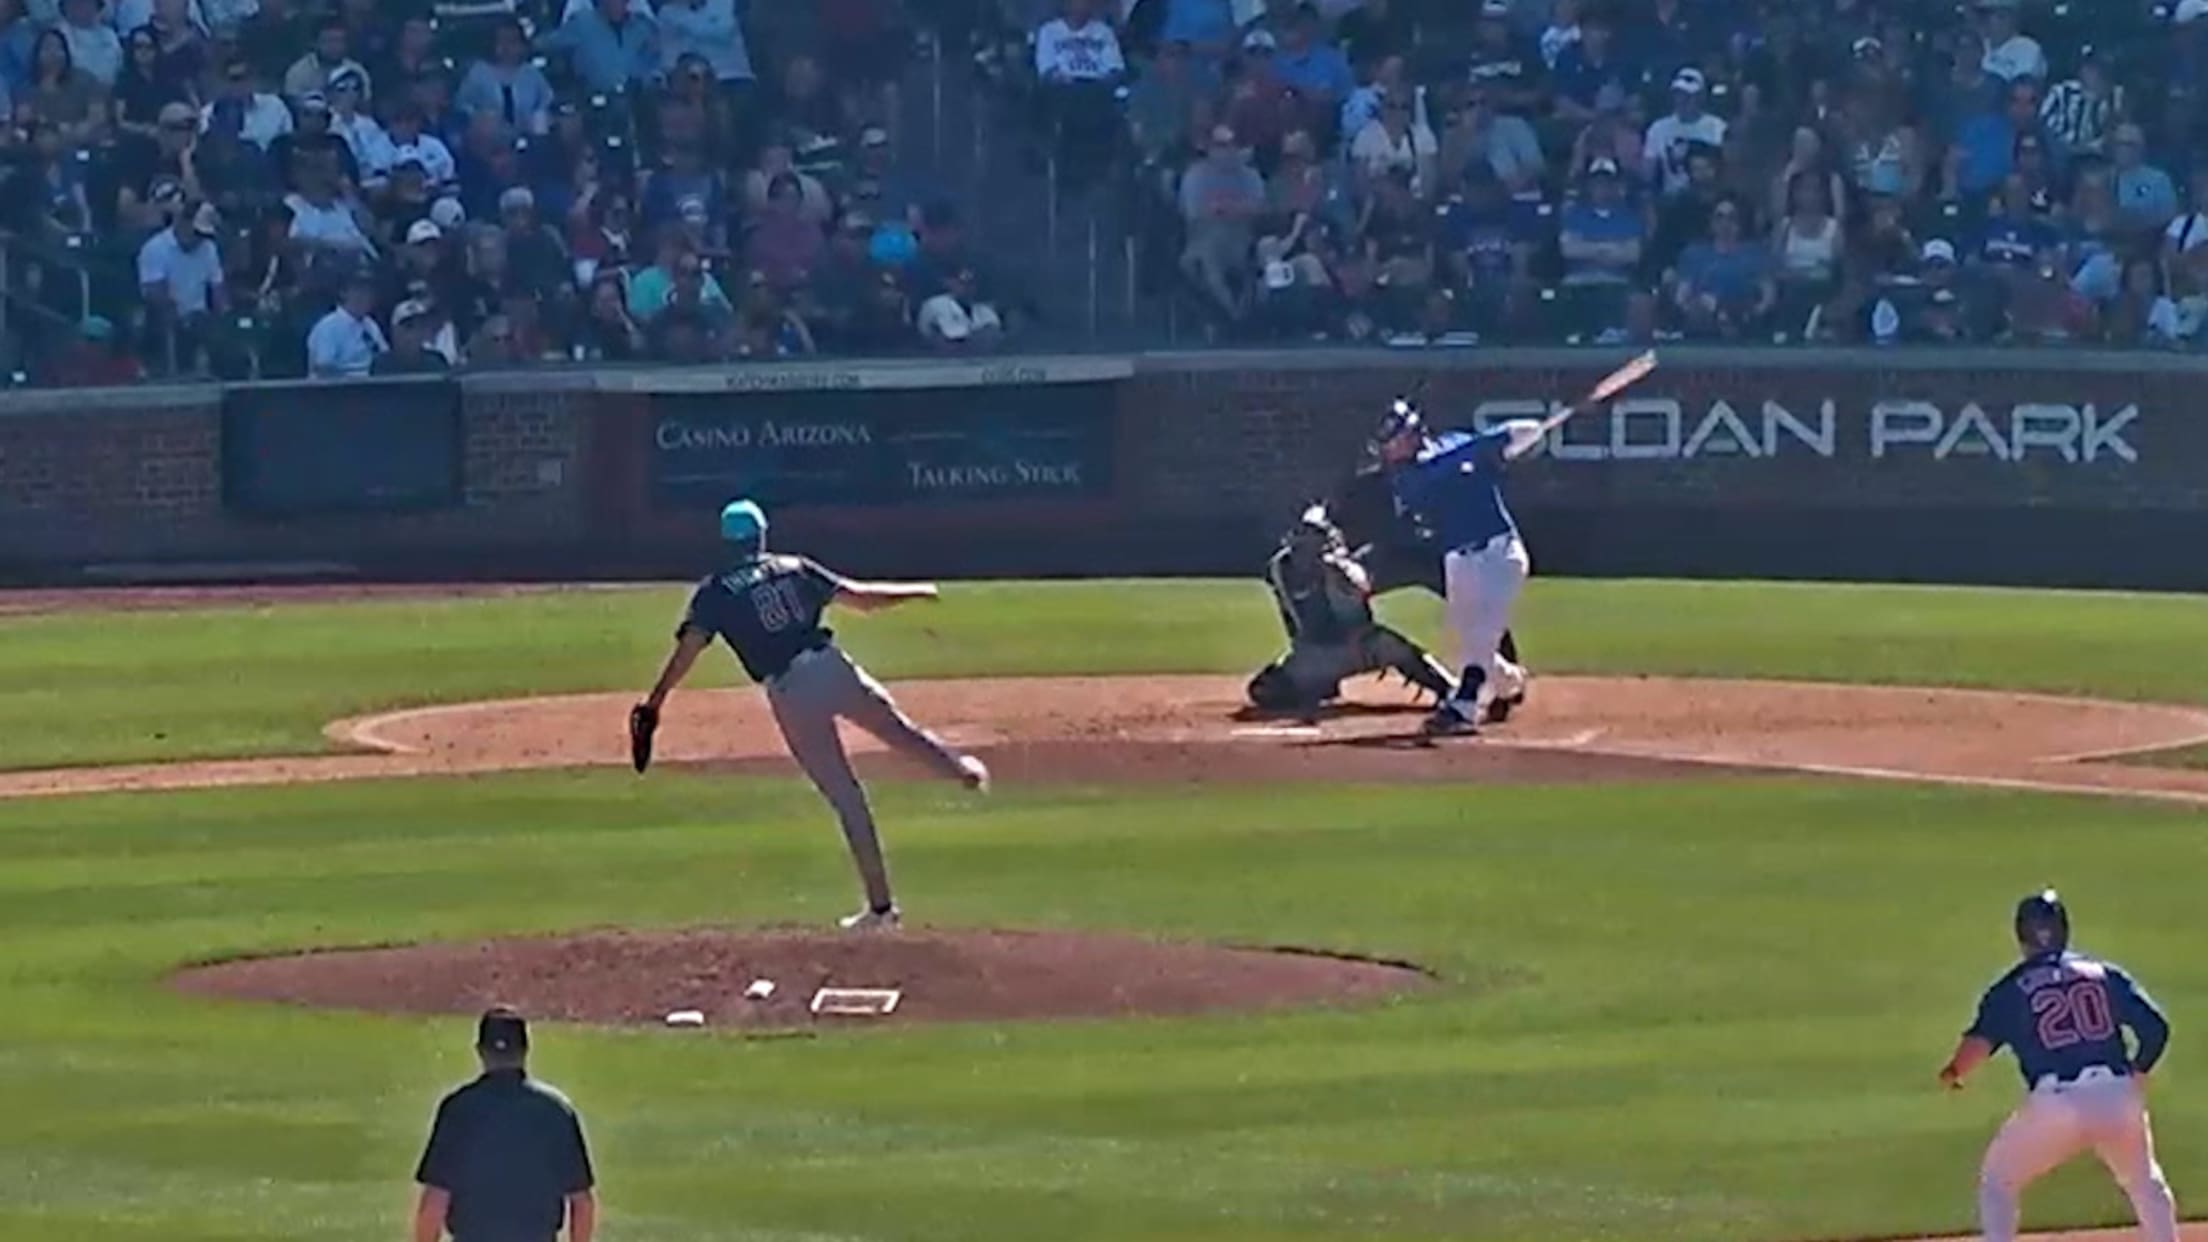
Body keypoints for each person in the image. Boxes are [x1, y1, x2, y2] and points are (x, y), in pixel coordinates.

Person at [632, 499, 991, 930]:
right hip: (833, 667)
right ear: (761, 536)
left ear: (724, 542)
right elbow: (861, 599)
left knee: (846, 797)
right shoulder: (794, 566)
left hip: (790, 692)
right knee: (901, 731)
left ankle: (881, 910)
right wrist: (915, 590)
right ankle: (960, 770)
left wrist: (655, 701)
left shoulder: (715, 592)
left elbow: (688, 650)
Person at [1938, 891, 2177, 1242]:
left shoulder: (2011, 988)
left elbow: (1977, 1047)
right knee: (2145, 1181)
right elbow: (2156, 1029)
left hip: (2056, 1103)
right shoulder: (2102, 973)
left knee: (1998, 1181)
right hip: (2117, 1095)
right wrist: (2136, 1074)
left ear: (2021, 935)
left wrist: (1953, 1072)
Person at [1372, 397, 1542, 735]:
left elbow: (1521, 432)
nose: (1388, 450)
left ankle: (1463, 706)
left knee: (1482, 635)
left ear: (1412, 434)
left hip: (1501, 553)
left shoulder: (1456, 442)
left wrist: (1505, 441)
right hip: (1459, 560)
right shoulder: (1407, 479)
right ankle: (1510, 683)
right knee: (1471, 639)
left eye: (1393, 440)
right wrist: (1482, 450)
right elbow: (1444, 467)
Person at [1245, 503, 1455, 717]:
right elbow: (1291, 616)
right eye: (1306, 535)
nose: (1309, 543)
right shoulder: (1280, 567)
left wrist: (1338, 571)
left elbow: (1360, 592)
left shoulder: (1343, 568)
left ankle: (1448, 689)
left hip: (1359, 647)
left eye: (1315, 536)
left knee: (1393, 647)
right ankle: (1320, 685)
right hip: (1315, 652)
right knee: (1264, 690)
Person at [413, 1007, 597, 1242]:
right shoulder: (556, 1111)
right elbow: (582, 1203)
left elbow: (434, 1201)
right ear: (525, 1050)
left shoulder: (459, 1109)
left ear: (480, 1051)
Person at [1643, 68, 1724, 195]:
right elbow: (1648, 174)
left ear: (1701, 96)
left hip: (1709, 197)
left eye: (1688, 96)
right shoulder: (1658, 129)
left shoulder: (1718, 127)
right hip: (1671, 198)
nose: (1682, 101)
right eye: (1679, 94)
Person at [306, 272, 388, 376]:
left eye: (368, 291)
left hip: (374, 384)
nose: (365, 296)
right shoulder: (328, 327)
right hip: (340, 385)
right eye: (358, 290)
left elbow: (385, 357)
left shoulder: (371, 325)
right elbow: (324, 369)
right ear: (343, 293)